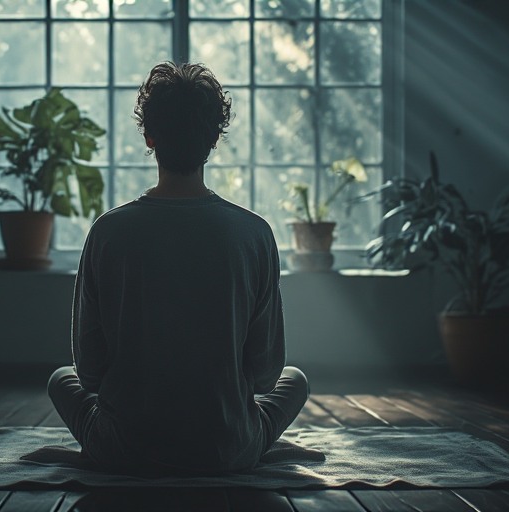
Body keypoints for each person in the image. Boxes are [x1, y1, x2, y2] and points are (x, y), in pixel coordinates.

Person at [48, 62, 309, 475]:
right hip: (228, 450)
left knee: (61, 378)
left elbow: (90, 373)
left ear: (150, 137)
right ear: (213, 139)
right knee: (296, 380)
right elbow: (265, 376)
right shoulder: (254, 233)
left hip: (123, 448)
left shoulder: (108, 232)